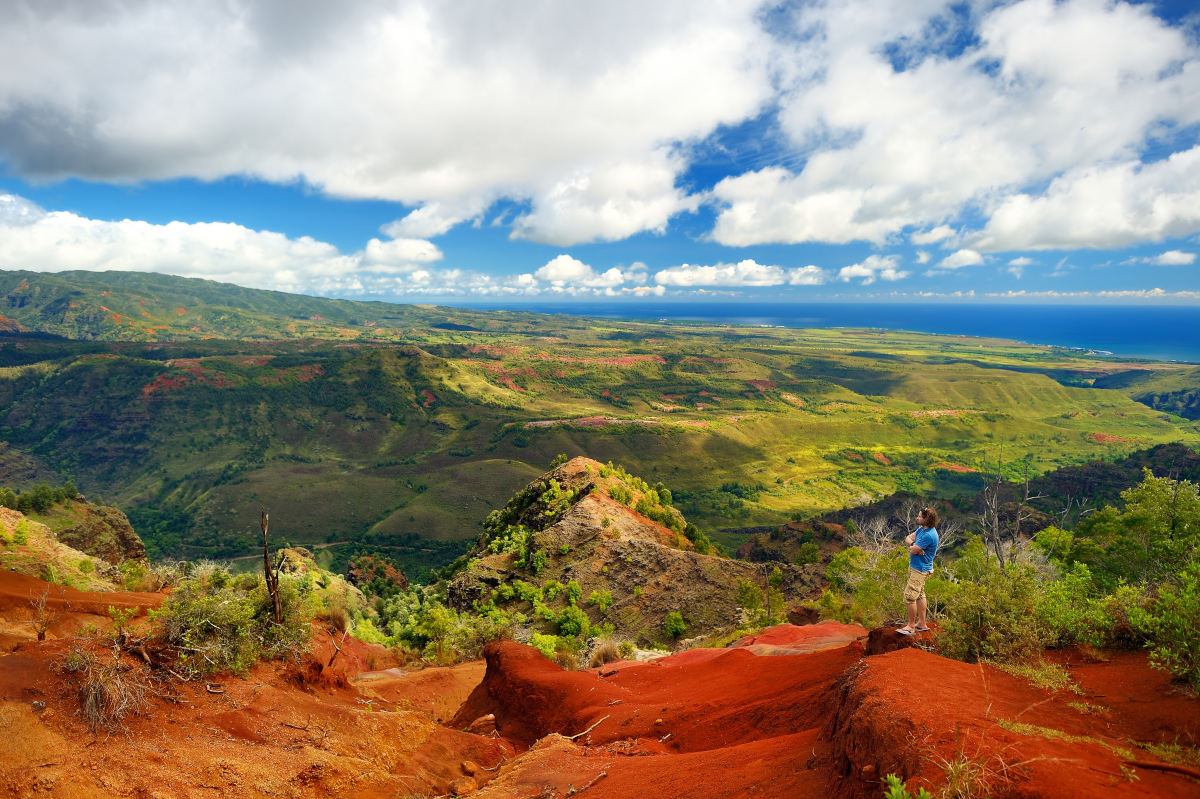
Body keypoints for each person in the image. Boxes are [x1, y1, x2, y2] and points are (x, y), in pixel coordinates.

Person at [897, 506, 939, 636]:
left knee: (910, 596)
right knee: (920, 594)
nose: (917, 518)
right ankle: (921, 623)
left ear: (927, 519)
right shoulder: (922, 529)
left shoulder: (929, 535)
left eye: (920, 516)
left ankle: (910, 627)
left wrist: (913, 547)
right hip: (916, 567)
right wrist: (912, 545)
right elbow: (908, 539)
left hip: (920, 570)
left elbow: (912, 549)